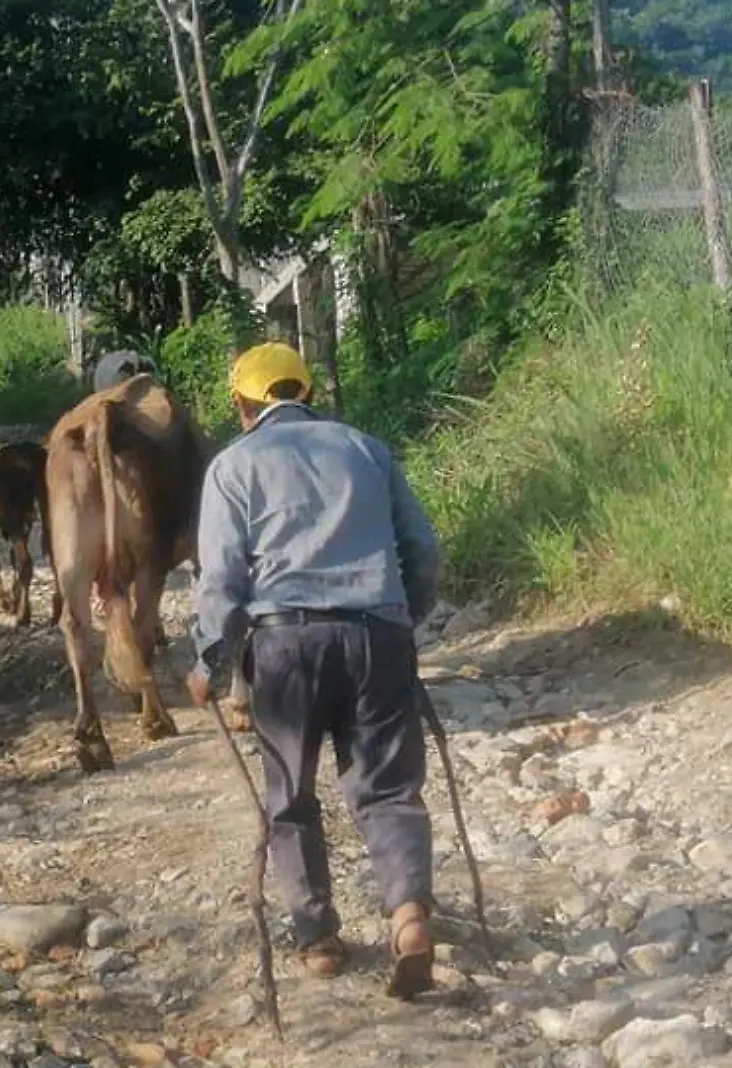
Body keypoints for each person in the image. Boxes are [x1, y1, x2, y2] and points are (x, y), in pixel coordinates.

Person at [184, 340, 444, 999]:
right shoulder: (366, 450)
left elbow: (221, 580)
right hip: (377, 634)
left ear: (243, 406)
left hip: (285, 647)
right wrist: (400, 619)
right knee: (388, 787)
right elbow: (422, 549)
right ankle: (409, 913)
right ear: (304, 391)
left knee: (291, 796)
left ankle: (317, 937)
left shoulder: (232, 466)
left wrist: (209, 662)